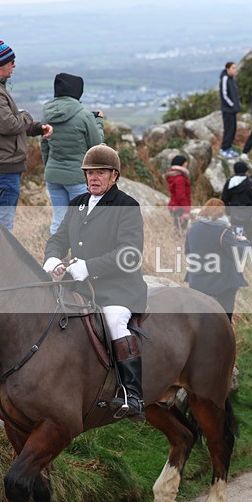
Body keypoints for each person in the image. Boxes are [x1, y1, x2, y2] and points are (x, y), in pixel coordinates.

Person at [42, 144, 147, 420]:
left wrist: (89, 267)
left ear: (114, 176)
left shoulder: (126, 206)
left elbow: (130, 254)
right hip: (79, 287)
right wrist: (52, 260)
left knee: (113, 321)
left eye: (100, 172)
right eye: (89, 173)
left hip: (118, 289)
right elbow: (58, 239)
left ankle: (132, 395)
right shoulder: (77, 203)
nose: (93, 178)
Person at [0, 35, 53, 231]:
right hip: (2, 166)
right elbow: (8, 124)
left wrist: (36, 128)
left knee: (1, 220)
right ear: (0, 64)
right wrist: (25, 115)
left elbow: (9, 122)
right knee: (3, 225)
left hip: (2, 165)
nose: (14, 65)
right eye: (11, 61)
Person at [41, 73, 104, 235]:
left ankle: (53, 257)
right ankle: (80, 257)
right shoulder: (84, 115)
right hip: (77, 176)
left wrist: (49, 167)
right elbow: (96, 146)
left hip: (53, 175)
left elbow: (44, 145)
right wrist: (98, 122)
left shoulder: (46, 113)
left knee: (59, 219)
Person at [184, 199, 249, 322]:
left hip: (197, 282)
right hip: (223, 284)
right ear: (220, 213)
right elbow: (238, 254)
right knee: (224, 320)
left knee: (200, 319)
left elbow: (188, 253)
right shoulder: (224, 232)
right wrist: (244, 241)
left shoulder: (192, 229)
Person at [221, 161, 252, 239]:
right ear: (246, 170)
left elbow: (224, 199)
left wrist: (229, 211)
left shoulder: (230, 182)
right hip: (250, 215)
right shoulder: (251, 182)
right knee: (250, 237)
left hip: (235, 215)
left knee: (238, 236)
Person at [219, 62, 241, 159]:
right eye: (233, 68)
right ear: (227, 69)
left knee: (233, 129)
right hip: (227, 110)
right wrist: (231, 104)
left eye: (235, 68)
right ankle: (224, 149)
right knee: (228, 129)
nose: (235, 70)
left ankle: (229, 147)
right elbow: (224, 94)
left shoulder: (232, 80)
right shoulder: (225, 78)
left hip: (233, 110)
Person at [164, 155, 191, 234]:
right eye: (185, 162)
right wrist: (186, 209)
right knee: (182, 231)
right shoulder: (180, 178)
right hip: (179, 207)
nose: (187, 164)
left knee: (177, 228)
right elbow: (181, 195)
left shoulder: (176, 176)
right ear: (181, 164)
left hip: (174, 206)